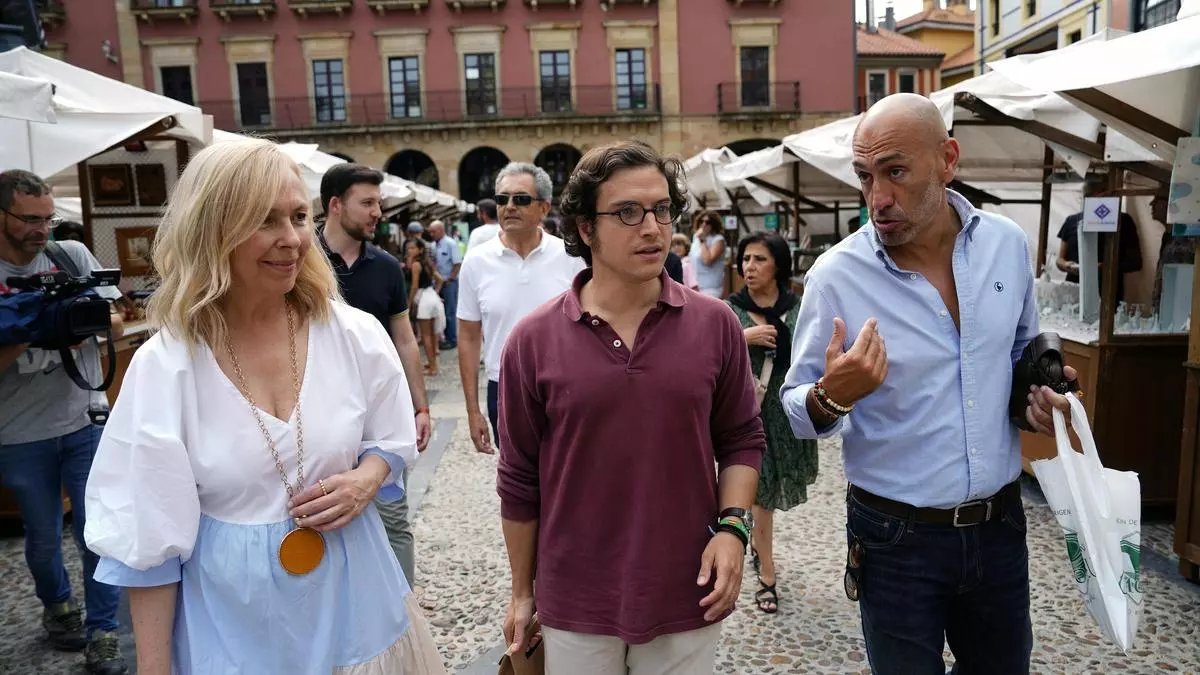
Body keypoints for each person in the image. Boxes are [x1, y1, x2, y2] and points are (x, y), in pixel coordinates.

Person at [82, 139, 446, 675]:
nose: (292, 239)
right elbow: (148, 538)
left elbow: (390, 439)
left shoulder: (351, 334)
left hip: (359, 609)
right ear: (212, 231)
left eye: (298, 217)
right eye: (265, 221)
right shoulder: (167, 366)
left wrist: (367, 478)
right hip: (235, 629)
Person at [779, 93, 1075, 674]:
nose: (877, 198)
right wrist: (832, 395)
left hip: (1000, 525)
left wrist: (1039, 400)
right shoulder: (836, 276)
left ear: (948, 159)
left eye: (895, 172)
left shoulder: (1006, 245)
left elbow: (1019, 353)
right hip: (894, 537)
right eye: (864, 176)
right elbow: (795, 409)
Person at [497, 141, 766, 674]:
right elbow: (519, 476)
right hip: (574, 596)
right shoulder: (533, 340)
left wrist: (734, 530)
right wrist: (522, 592)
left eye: (662, 209)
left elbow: (741, 438)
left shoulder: (716, 325)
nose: (652, 228)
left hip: (688, 587)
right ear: (584, 227)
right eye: (627, 212)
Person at [0, 170, 127, 675]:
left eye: (48, 218)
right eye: (30, 219)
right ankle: (57, 606)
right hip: (19, 433)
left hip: (85, 418)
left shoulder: (69, 255)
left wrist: (82, 324)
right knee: (43, 536)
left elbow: (116, 320)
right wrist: (33, 330)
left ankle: (104, 633)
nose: (41, 229)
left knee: (98, 531)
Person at [316, 162, 432, 587]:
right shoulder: (302, 260)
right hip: (318, 410)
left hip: (378, 411)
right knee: (325, 518)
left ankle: (402, 608)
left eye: (378, 203)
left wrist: (420, 406)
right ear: (335, 205)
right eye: (367, 203)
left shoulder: (386, 266)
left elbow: (405, 339)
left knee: (392, 518)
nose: (377, 213)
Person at [456, 162, 583, 453]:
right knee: (514, 474)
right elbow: (468, 336)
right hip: (503, 387)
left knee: (567, 471)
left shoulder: (571, 258)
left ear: (544, 208)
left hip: (564, 385)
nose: (509, 206)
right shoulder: (476, 262)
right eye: (502, 199)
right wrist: (473, 410)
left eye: (521, 199)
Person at [725, 231, 818, 614]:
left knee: (767, 498)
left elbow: (814, 355)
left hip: (786, 417)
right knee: (761, 500)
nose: (749, 267)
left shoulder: (800, 307)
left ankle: (756, 545)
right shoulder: (729, 311)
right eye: (746, 259)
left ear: (778, 265)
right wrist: (743, 337)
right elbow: (707, 353)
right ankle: (767, 573)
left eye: (759, 259)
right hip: (747, 416)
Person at [1055, 173, 1142, 301]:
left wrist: (1105, 267)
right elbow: (1060, 259)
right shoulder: (1072, 221)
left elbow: (1135, 262)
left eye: (1101, 193)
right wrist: (1068, 265)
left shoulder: (1123, 221)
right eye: (1089, 195)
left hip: (1108, 293)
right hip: (1074, 292)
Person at [405, 237, 445, 375]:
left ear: (420, 249)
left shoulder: (416, 265)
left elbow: (414, 286)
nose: (409, 251)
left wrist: (409, 303)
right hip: (432, 296)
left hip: (423, 300)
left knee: (426, 336)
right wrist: (436, 292)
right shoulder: (428, 263)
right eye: (408, 248)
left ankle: (433, 368)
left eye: (412, 248)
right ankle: (432, 363)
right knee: (432, 335)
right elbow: (440, 280)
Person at [428, 219, 462, 350]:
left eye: (433, 231)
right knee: (440, 312)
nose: (431, 234)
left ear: (441, 230)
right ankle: (444, 338)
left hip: (449, 283)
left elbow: (457, 263)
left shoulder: (451, 243)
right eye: (430, 232)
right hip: (437, 283)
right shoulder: (433, 245)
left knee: (449, 312)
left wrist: (450, 279)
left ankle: (452, 340)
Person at [689, 209, 727, 297]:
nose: (704, 224)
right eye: (701, 221)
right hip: (695, 286)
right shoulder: (696, 237)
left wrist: (702, 240)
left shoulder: (718, 239)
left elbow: (707, 260)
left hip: (711, 288)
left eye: (708, 222)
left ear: (714, 224)